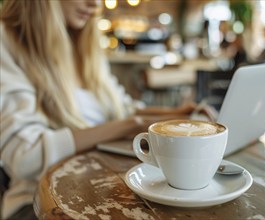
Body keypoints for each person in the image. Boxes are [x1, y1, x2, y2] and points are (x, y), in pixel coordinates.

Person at [0, 0, 207, 219]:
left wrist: (180, 115)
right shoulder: (7, 40)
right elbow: (25, 156)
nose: (96, 4)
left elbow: (122, 109)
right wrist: (131, 125)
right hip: (37, 204)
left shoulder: (81, 42)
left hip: (94, 188)